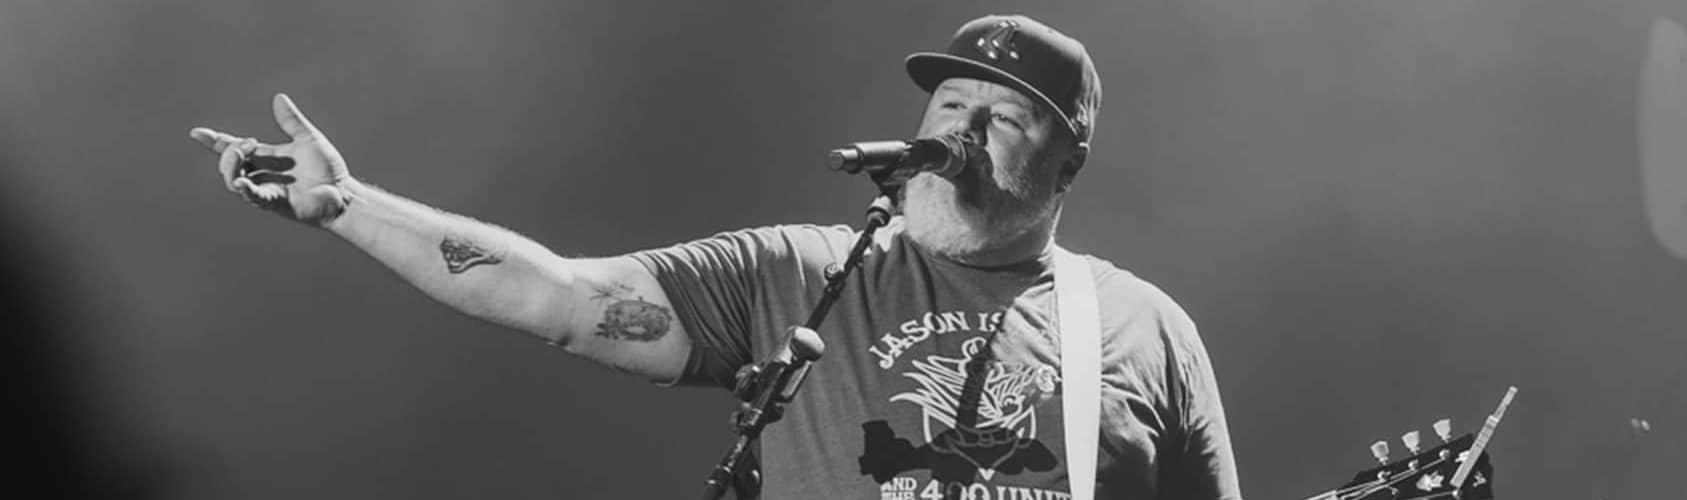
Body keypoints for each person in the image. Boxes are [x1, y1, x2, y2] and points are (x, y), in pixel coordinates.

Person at [188, 14, 1240, 500]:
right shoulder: (801, 272)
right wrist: (348, 206)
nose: (960, 129)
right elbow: (559, 296)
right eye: (949, 103)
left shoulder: (1141, 328)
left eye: (1002, 116)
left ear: (1068, 163)